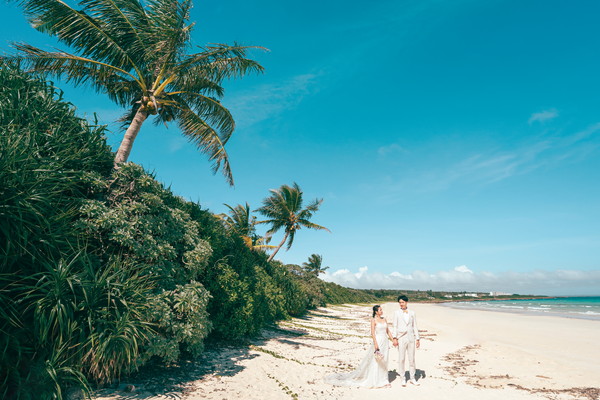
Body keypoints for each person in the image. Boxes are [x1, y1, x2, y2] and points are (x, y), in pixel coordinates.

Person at [325, 305, 394, 388]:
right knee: (376, 360)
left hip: (385, 341)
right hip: (378, 341)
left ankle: (384, 380)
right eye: (380, 310)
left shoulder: (384, 319)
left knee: (384, 360)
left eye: (381, 310)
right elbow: (372, 333)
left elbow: (388, 331)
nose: (381, 311)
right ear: (376, 312)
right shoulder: (373, 320)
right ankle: (376, 380)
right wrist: (375, 344)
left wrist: (393, 340)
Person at [392, 295, 421, 386]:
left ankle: (412, 378)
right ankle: (403, 378)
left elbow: (415, 326)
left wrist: (417, 338)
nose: (401, 304)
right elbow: (395, 326)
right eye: (400, 302)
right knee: (401, 359)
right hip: (401, 338)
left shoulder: (412, 313)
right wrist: (394, 338)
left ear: (406, 302)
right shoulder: (396, 312)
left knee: (412, 359)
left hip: (411, 337)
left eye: (403, 302)